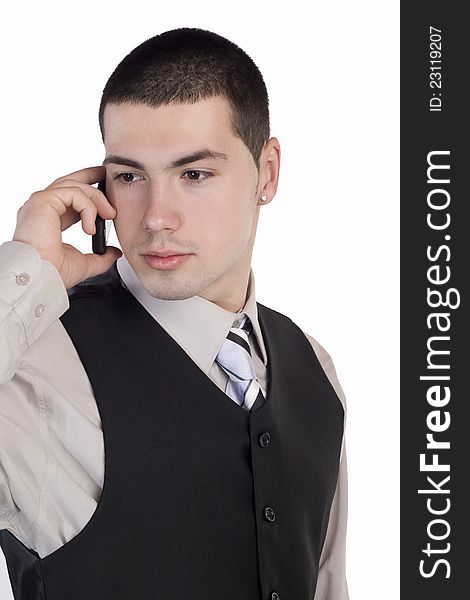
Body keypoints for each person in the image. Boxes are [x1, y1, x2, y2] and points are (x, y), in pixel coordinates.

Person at [0, 27, 348, 600]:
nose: (157, 217)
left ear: (267, 172)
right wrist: (27, 271)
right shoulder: (37, 360)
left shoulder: (315, 369)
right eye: (131, 176)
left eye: (194, 174)